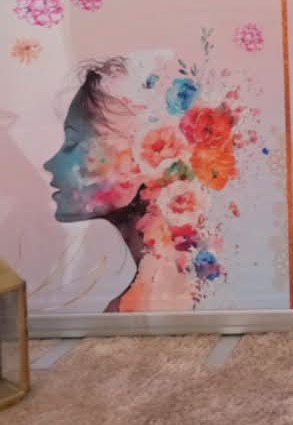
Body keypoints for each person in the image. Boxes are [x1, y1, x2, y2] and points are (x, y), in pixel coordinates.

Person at [44, 52, 249, 312]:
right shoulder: (161, 295)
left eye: (74, 143)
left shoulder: (157, 303)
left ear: (144, 160)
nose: (50, 164)